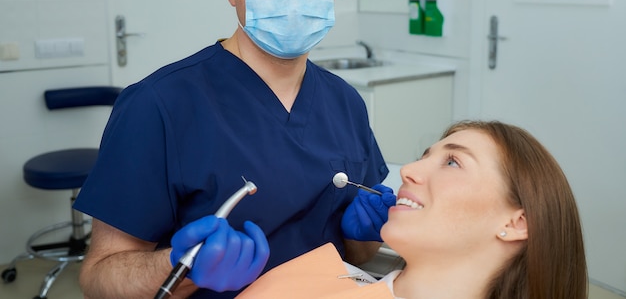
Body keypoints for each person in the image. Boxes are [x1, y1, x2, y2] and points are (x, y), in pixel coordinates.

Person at [73, 0, 390, 299]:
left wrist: (362, 234)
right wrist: (181, 267)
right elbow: (99, 278)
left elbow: (359, 255)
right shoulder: (158, 105)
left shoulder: (345, 101)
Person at [235, 120, 588, 299]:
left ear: (517, 222)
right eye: (424, 157)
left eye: (452, 162)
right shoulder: (297, 283)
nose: (407, 170)